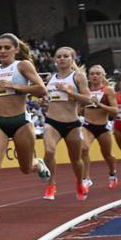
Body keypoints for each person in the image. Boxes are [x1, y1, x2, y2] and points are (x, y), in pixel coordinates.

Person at [0, 34, 50, 223]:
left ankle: (38, 164)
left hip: (20, 122)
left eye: (6, 47)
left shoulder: (22, 65)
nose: (2, 51)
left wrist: (14, 86)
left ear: (16, 49)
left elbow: (41, 89)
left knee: (26, 168)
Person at [41, 47, 91, 200]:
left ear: (72, 59)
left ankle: (79, 182)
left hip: (72, 124)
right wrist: (45, 102)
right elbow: (50, 98)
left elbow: (88, 100)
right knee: (49, 152)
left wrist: (68, 91)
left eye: (65, 56)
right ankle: (51, 184)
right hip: (52, 122)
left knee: (76, 160)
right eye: (59, 56)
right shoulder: (51, 77)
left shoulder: (78, 77)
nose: (62, 58)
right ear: (55, 60)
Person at [80, 65, 120, 190]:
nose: (95, 76)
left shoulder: (108, 90)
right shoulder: (84, 90)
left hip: (103, 126)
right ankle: (86, 178)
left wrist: (100, 104)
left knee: (107, 154)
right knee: (84, 148)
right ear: (88, 76)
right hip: (87, 125)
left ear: (103, 76)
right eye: (92, 74)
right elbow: (78, 108)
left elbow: (115, 111)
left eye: (97, 74)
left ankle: (112, 173)